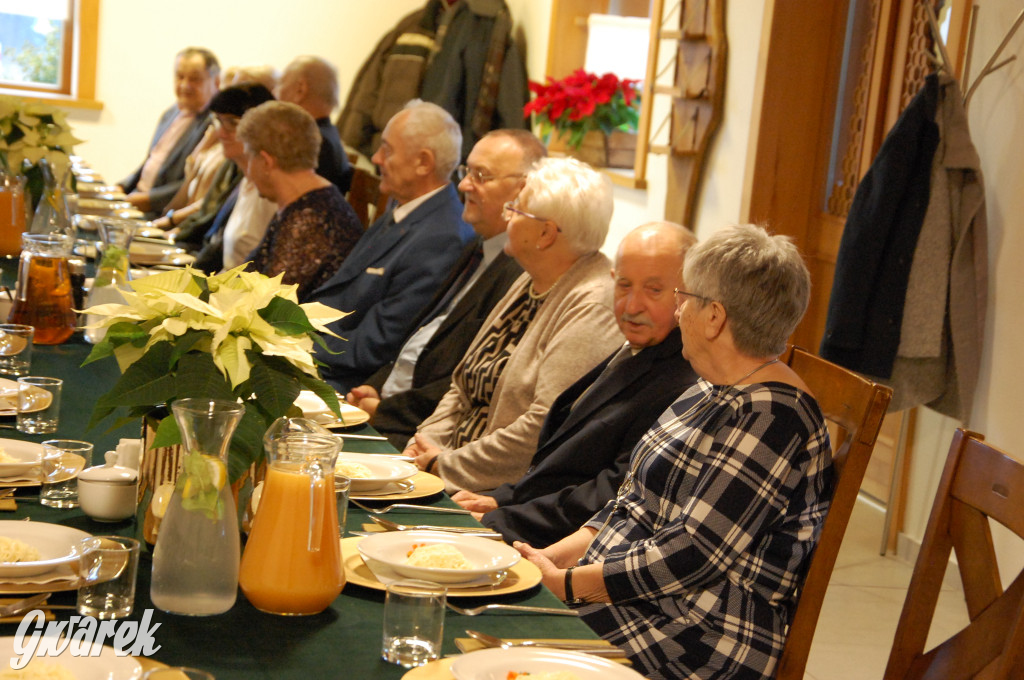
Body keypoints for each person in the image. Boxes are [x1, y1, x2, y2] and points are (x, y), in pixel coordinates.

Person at [515, 224, 833, 680]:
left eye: (685, 296)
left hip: (698, 634)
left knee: (504, 634)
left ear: (714, 317)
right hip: (637, 599)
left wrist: (567, 585)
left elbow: (691, 554)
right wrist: (551, 559)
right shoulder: (711, 386)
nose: (679, 309)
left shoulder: (772, 417)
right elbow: (632, 504)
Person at [452, 222, 699, 547]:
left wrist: (500, 519)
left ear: (690, 293)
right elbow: (565, 461)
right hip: (524, 513)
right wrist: (502, 499)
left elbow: (612, 492)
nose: (633, 305)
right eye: (624, 285)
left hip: (563, 547)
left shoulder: (683, 378)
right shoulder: (640, 345)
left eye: (654, 290)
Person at [405, 157, 624, 493]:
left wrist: (443, 464)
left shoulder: (593, 303)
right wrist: (423, 445)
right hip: (444, 468)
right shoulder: (530, 279)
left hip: (492, 493)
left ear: (546, 234)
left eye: (515, 210)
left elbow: (542, 427)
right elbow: (462, 387)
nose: (507, 217)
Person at [345, 129, 546, 449]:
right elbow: (420, 339)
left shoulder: (524, 274)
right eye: (467, 171)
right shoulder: (476, 247)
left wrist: (385, 409)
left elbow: (472, 383)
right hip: (389, 410)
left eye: (481, 175)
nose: (464, 184)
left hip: (423, 436)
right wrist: (377, 386)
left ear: (523, 190)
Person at [310, 100, 475, 391]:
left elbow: (377, 346)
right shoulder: (406, 209)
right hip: (323, 355)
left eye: (387, 149)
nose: (375, 158)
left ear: (423, 162)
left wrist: (294, 345)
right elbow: (342, 294)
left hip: (345, 383)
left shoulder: (441, 238)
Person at [236, 101, 362, 301]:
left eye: (249, 159)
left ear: (266, 162)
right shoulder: (302, 202)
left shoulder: (310, 219)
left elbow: (267, 304)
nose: (248, 171)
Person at [167, 83, 275, 257]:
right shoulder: (244, 175)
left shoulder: (267, 187)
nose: (221, 133)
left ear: (258, 128)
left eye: (232, 123)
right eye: (218, 121)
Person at [119, 47, 220, 217]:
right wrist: (121, 188)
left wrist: (145, 200)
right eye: (180, 77)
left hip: (162, 212)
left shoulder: (214, 126)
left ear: (216, 82)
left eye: (194, 79)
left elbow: (192, 184)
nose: (184, 85)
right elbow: (151, 161)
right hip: (137, 199)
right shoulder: (171, 113)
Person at [276, 56, 353, 193]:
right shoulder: (326, 135)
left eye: (280, 83)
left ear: (300, 90)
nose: (275, 93)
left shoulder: (313, 143)